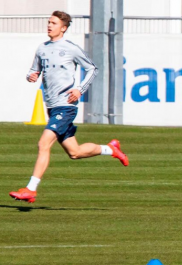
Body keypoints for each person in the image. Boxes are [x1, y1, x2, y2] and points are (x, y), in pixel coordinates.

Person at [9, 11, 128, 204]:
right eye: (48, 22)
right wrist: (31, 76)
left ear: (63, 28)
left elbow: (92, 69)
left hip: (66, 107)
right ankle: (111, 149)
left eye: (53, 23)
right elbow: (34, 70)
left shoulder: (71, 49)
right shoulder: (42, 49)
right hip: (52, 107)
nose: (49, 26)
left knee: (43, 144)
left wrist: (80, 89)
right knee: (75, 152)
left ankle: (30, 189)